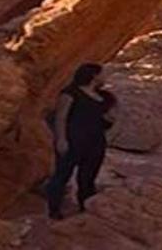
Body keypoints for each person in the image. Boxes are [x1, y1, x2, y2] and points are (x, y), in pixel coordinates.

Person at [45, 63, 117, 219]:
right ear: (93, 75)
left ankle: (85, 208)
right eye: (102, 73)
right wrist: (61, 139)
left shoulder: (104, 97)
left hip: (95, 141)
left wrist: (109, 120)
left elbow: (107, 120)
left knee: (88, 177)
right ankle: (54, 211)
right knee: (62, 175)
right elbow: (61, 117)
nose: (104, 76)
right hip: (73, 139)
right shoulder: (70, 93)